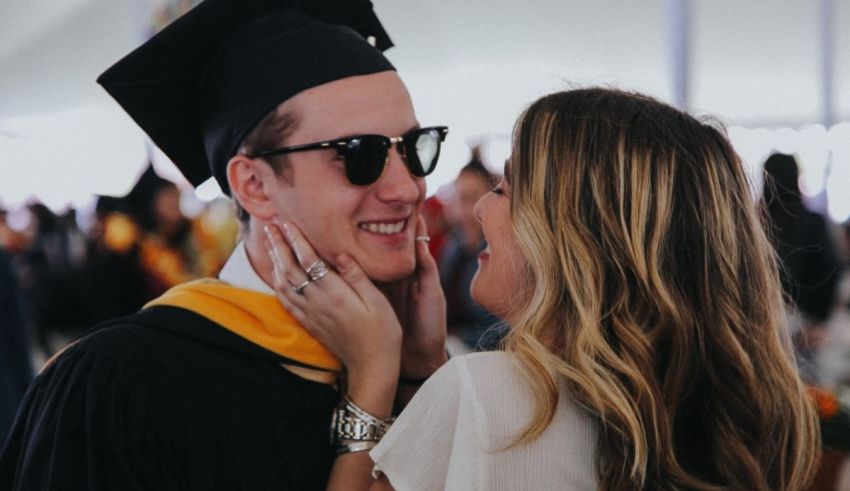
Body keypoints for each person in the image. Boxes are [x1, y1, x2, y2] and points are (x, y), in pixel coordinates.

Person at [266, 88, 820, 490]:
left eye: (506, 188)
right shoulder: (740, 418)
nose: (482, 208)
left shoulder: (482, 393)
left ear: (577, 234)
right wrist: (424, 365)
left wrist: (374, 373)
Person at [0, 0, 448, 489]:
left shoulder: (413, 352)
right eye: (362, 155)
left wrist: (420, 373)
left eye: (414, 148)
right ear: (254, 185)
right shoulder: (120, 382)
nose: (407, 189)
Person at [761, 152, 840, 383]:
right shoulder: (810, 221)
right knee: (806, 390)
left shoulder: (756, 223)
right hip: (803, 326)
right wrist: (818, 320)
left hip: (769, 326)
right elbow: (831, 270)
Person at [439, 155, 501, 351]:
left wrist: (457, 338)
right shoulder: (453, 244)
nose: (464, 211)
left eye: (471, 199)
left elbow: (504, 327)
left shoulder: (500, 252)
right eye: (458, 199)